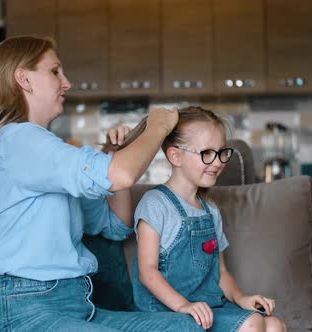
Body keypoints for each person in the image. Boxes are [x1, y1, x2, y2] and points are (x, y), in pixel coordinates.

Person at [0, 35, 206, 331]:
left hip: (77, 303)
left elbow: (115, 224)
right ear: (24, 79)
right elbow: (121, 175)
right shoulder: (18, 139)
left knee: (187, 327)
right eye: (55, 71)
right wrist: (157, 126)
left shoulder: (48, 155)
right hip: (25, 308)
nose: (66, 83)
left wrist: (117, 153)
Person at [122, 106, 288, 332]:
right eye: (207, 153)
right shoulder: (155, 204)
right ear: (175, 155)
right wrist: (184, 305)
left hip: (208, 308)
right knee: (253, 323)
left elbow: (221, 273)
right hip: (166, 312)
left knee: (274, 325)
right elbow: (148, 272)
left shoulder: (211, 211)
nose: (219, 162)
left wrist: (241, 298)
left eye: (221, 152)